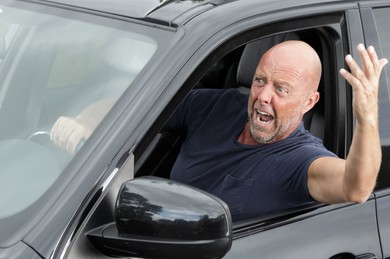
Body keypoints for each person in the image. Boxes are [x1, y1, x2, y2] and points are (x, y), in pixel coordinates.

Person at [50, 40, 388, 221]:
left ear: (309, 102)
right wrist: (85, 120)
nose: (263, 96)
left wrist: (367, 118)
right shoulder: (219, 106)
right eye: (260, 80)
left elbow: (355, 188)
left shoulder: (302, 160)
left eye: (281, 89)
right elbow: (134, 107)